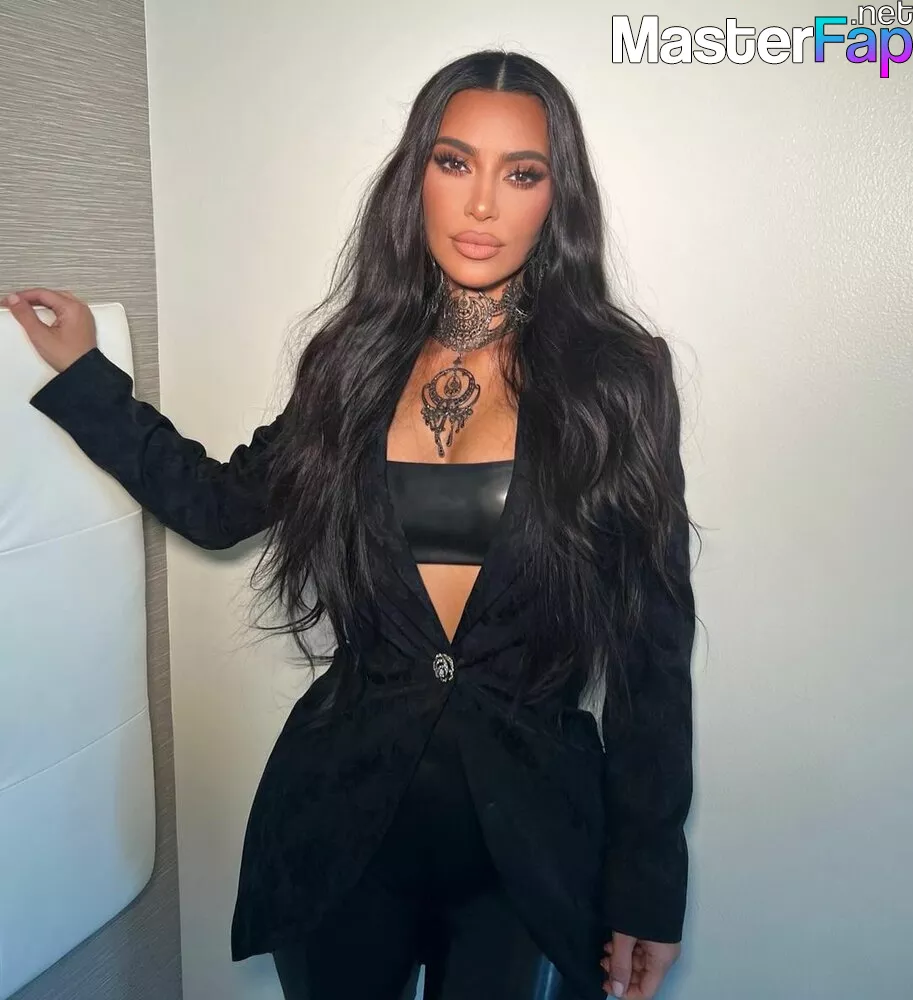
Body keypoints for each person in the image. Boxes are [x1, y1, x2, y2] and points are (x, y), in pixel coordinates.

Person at [4, 49, 697, 1000]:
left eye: (521, 173)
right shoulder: (350, 361)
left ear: (557, 197)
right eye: (454, 162)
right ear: (416, 176)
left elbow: (653, 644)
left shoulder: (619, 377)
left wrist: (647, 887)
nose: (481, 203)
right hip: (341, 826)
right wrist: (89, 380)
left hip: (528, 841)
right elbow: (216, 506)